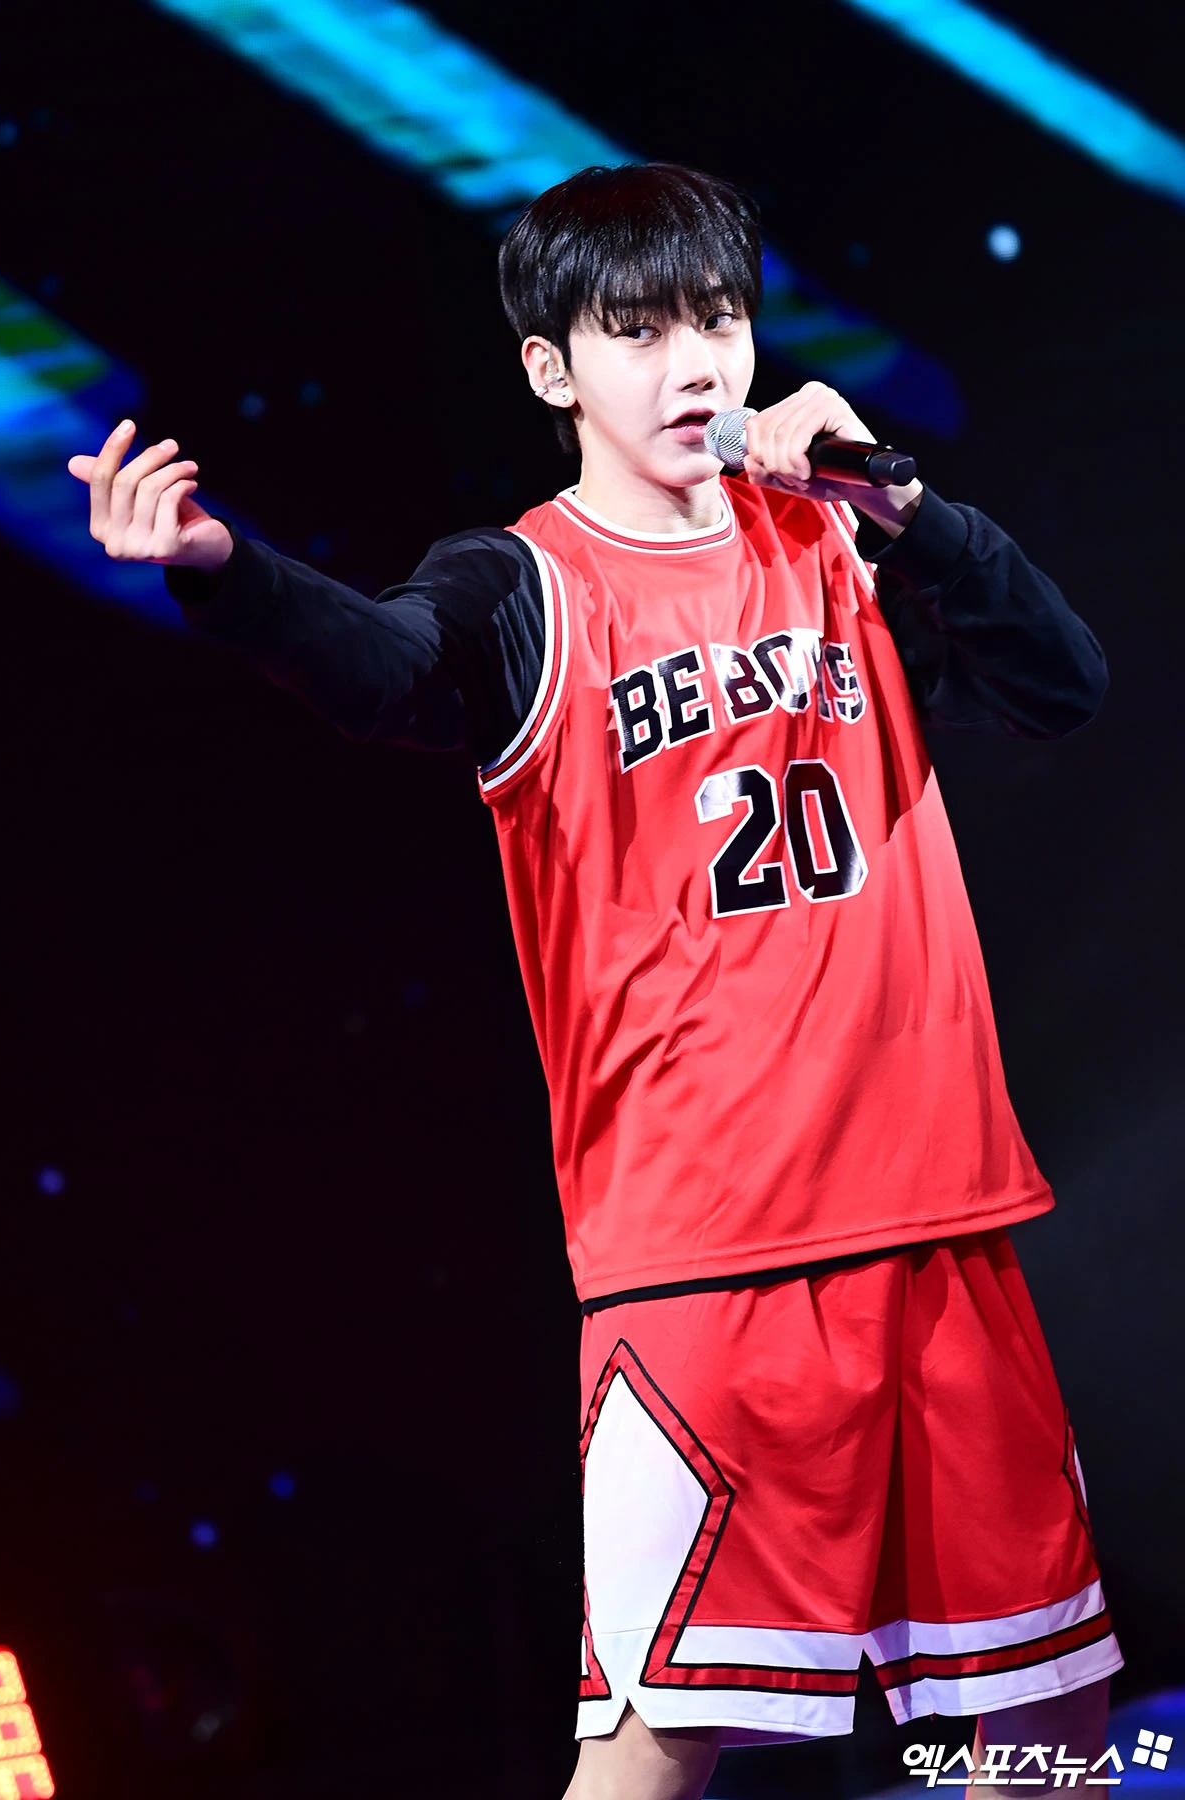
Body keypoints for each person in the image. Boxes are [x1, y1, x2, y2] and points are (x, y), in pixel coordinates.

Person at [69, 163, 1122, 1800]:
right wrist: (224, 569)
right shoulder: (523, 587)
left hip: (940, 1220)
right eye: (639, 332)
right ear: (552, 367)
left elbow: (1064, 684)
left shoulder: (838, 538)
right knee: (650, 1753)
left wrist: (907, 510)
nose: (694, 363)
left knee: (1052, 1724)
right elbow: (378, 668)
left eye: (718, 319)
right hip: (707, 1266)